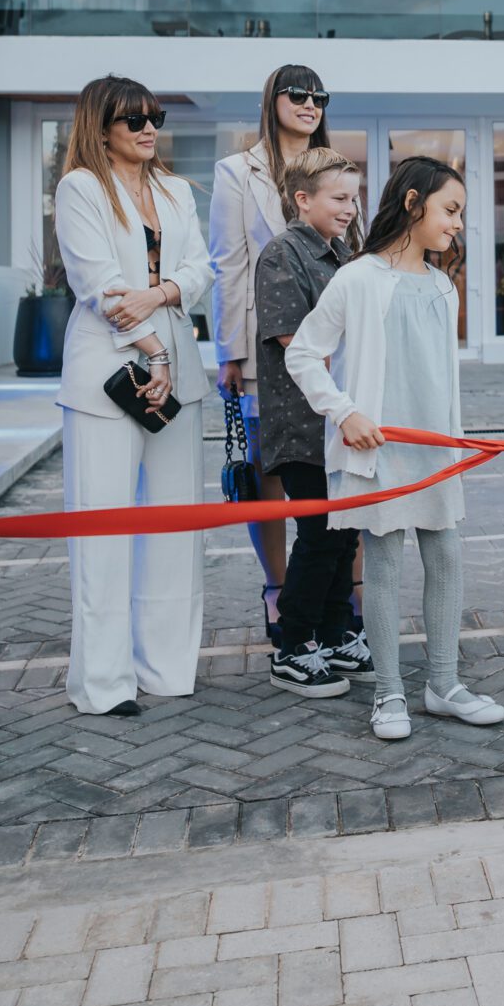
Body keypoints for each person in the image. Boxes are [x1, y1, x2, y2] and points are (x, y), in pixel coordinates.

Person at [285, 155, 504, 742]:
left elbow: (438, 376)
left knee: (447, 557)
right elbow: (302, 353)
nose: (458, 224)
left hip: (434, 449)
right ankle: (388, 693)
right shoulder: (357, 278)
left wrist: (458, 442)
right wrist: (345, 412)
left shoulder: (443, 285)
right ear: (413, 203)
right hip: (377, 449)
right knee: (381, 565)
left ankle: (443, 685)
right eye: (450, 210)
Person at [52, 76, 214, 718]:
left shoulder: (176, 191)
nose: (149, 129)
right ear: (101, 125)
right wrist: (155, 349)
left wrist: (165, 292)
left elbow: (202, 269)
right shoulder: (80, 187)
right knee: (103, 529)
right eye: (133, 119)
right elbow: (99, 284)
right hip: (107, 377)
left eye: (156, 117)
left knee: (176, 531)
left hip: (180, 377)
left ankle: (168, 669)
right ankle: (103, 683)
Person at [210, 64, 339, 645]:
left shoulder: (333, 163)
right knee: (269, 472)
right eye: (298, 95)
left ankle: (342, 600)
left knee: (333, 469)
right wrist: (231, 351)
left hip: (332, 339)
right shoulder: (238, 171)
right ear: (273, 99)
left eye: (319, 97)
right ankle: (277, 590)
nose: (309, 104)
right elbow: (230, 264)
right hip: (268, 343)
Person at [256, 146, 367, 697]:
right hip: (303, 425)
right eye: (339, 198)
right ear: (303, 199)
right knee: (320, 534)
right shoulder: (283, 255)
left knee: (344, 537)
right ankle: (292, 644)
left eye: (354, 197)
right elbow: (294, 341)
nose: (350, 208)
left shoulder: (343, 255)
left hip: (340, 422)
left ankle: (334, 629)